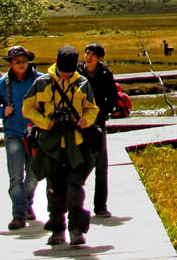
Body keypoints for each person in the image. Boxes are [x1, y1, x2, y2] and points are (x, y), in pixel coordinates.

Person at [22, 45, 99, 247]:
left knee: (75, 187)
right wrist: (44, 122)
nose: (65, 75)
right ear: (56, 64)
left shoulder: (82, 83)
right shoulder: (42, 83)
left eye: (69, 72)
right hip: (51, 142)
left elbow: (92, 109)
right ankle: (57, 228)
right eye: (63, 71)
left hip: (76, 143)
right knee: (54, 188)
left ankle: (76, 229)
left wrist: (85, 120)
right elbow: (27, 108)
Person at [0, 45, 41, 230]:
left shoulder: (40, 79)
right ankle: (18, 215)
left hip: (35, 134)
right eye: (17, 61)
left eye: (24, 61)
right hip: (13, 134)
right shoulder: (2, 84)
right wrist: (2, 111)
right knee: (16, 177)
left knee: (34, 176)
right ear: (10, 63)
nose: (21, 64)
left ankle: (26, 204)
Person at [77, 42, 118, 219]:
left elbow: (113, 98)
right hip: (78, 123)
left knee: (101, 165)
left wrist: (101, 112)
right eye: (87, 53)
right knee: (79, 162)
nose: (89, 57)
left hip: (98, 123)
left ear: (99, 58)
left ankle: (100, 206)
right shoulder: (76, 72)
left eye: (93, 54)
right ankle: (74, 197)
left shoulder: (105, 73)